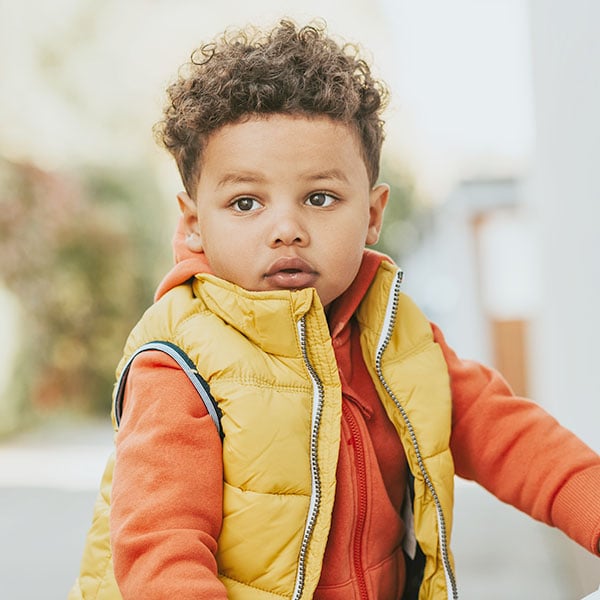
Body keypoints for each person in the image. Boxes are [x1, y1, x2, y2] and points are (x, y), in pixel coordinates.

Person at [69, 18, 600, 600]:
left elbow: (510, 438)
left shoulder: (394, 335)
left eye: (320, 198)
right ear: (194, 224)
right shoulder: (179, 362)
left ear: (373, 213)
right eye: (246, 202)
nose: (287, 230)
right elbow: (160, 548)